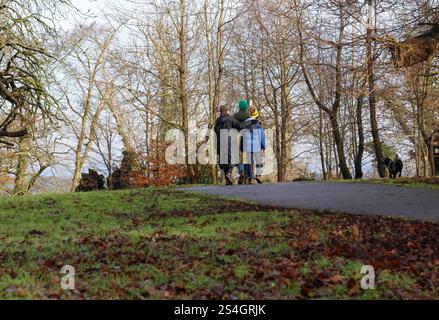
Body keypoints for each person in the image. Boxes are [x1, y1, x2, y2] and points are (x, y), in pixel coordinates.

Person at [214, 105, 251, 185]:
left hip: (220, 143)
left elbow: (215, 130)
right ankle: (228, 174)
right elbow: (241, 126)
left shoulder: (218, 120)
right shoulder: (230, 119)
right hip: (230, 142)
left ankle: (227, 179)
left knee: (224, 160)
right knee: (232, 159)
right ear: (227, 111)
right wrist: (250, 121)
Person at [242, 106, 265, 184]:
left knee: (250, 162)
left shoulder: (245, 123)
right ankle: (258, 175)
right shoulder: (258, 123)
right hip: (256, 145)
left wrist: (242, 146)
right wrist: (263, 145)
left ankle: (250, 178)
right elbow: (261, 136)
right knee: (258, 160)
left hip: (247, 144)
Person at [234, 100, 250, 184]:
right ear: (246, 107)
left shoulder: (235, 115)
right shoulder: (248, 116)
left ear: (239, 107)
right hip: (246, 137)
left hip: (236, 136)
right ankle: (247, 176)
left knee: (237, 157)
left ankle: (241, 172)